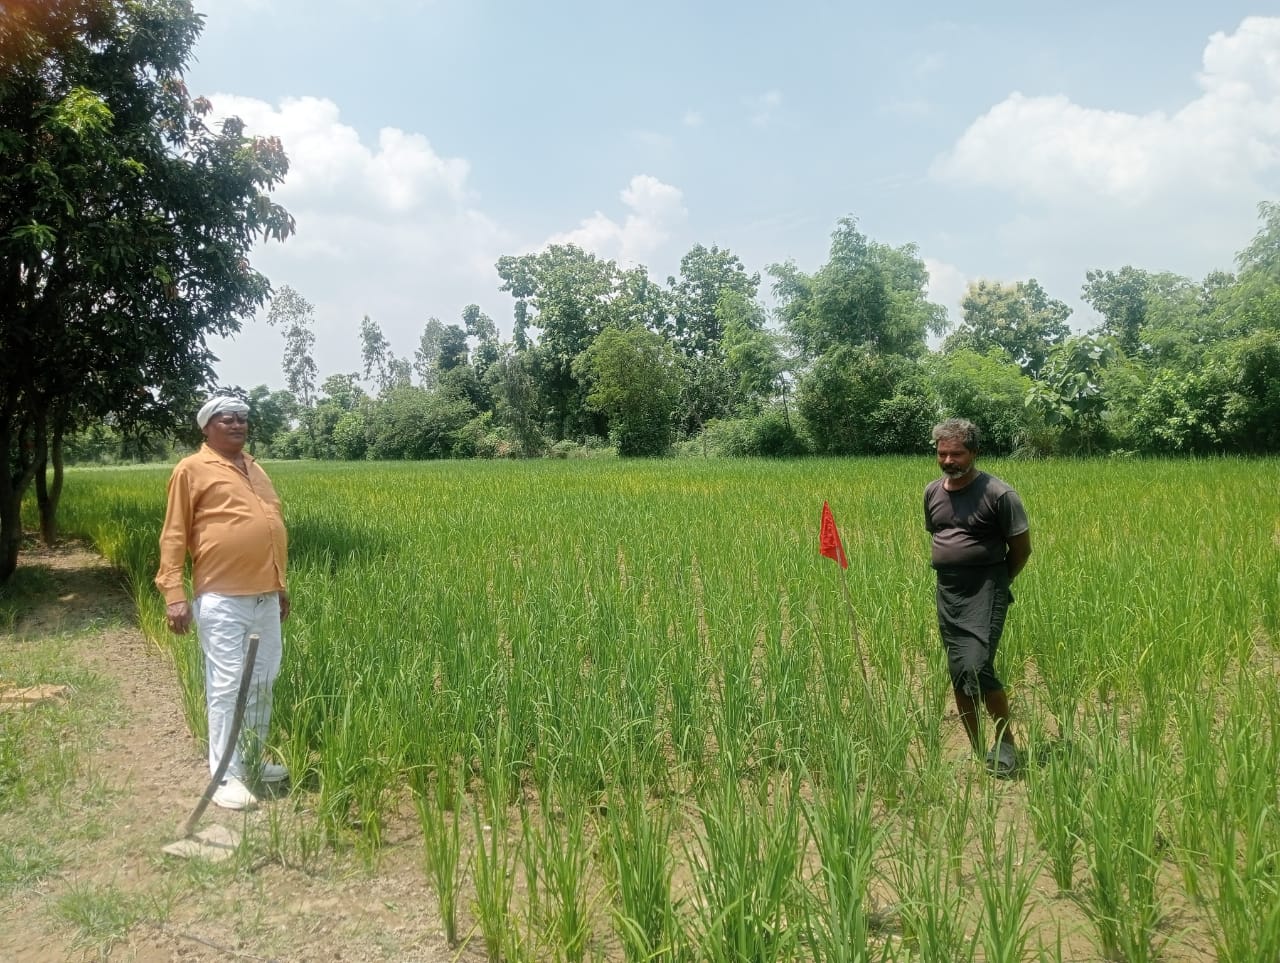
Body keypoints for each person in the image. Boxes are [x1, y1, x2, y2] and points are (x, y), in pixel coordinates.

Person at [156, 396, 290, 810]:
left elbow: (270, 527)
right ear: (207, 427)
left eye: (243, 418)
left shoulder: (255, 467)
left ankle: (250, 759)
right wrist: (174, 594)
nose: (237, 424)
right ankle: (225, 775)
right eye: (227, 418)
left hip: (265, 596)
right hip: (222, 597)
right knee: (228, 684)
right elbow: (174, 533)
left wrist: (280, 586)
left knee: (263, 680)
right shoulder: (191, 469)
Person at [923, 418, 1031, 777]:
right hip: (948, 592)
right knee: (959, 672)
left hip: (986, 590)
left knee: (978, 667)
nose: (948, 460)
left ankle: (1006, 743)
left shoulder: (999, 494)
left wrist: (997, 582)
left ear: (974, 452)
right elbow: (940, 534)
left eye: (956, 453)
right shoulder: (932, 492)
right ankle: (977, 749)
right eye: (942, 453)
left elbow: (1021, 549)